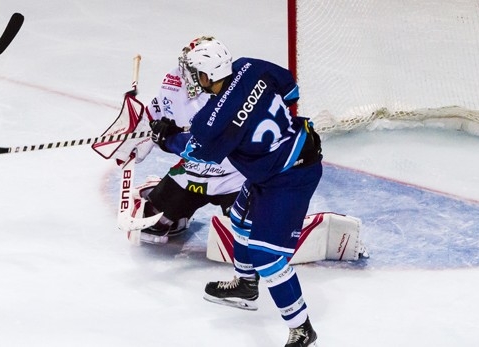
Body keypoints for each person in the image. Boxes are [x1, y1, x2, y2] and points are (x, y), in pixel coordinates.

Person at [149, 36, 321, 347]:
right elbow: (290, 89)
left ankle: (302, 329)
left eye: (195, 72)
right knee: (241, 220)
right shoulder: (249, 66)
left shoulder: (211, 121)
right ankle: (245, 285)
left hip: (291, 177)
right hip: (284, 155)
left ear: (206, 75)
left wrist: (166, 137)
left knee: (267, 257)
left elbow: (195, 151)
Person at [104, 51, 246, 245]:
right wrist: (133, 133)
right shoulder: (174, 83)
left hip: (235, 177)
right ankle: (168, 204)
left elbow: (208, 146)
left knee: (248, 237)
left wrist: (169, 139)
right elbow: (153, 118)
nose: (186, 72)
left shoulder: (239, 93)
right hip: (194, 173)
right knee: (152, 225)